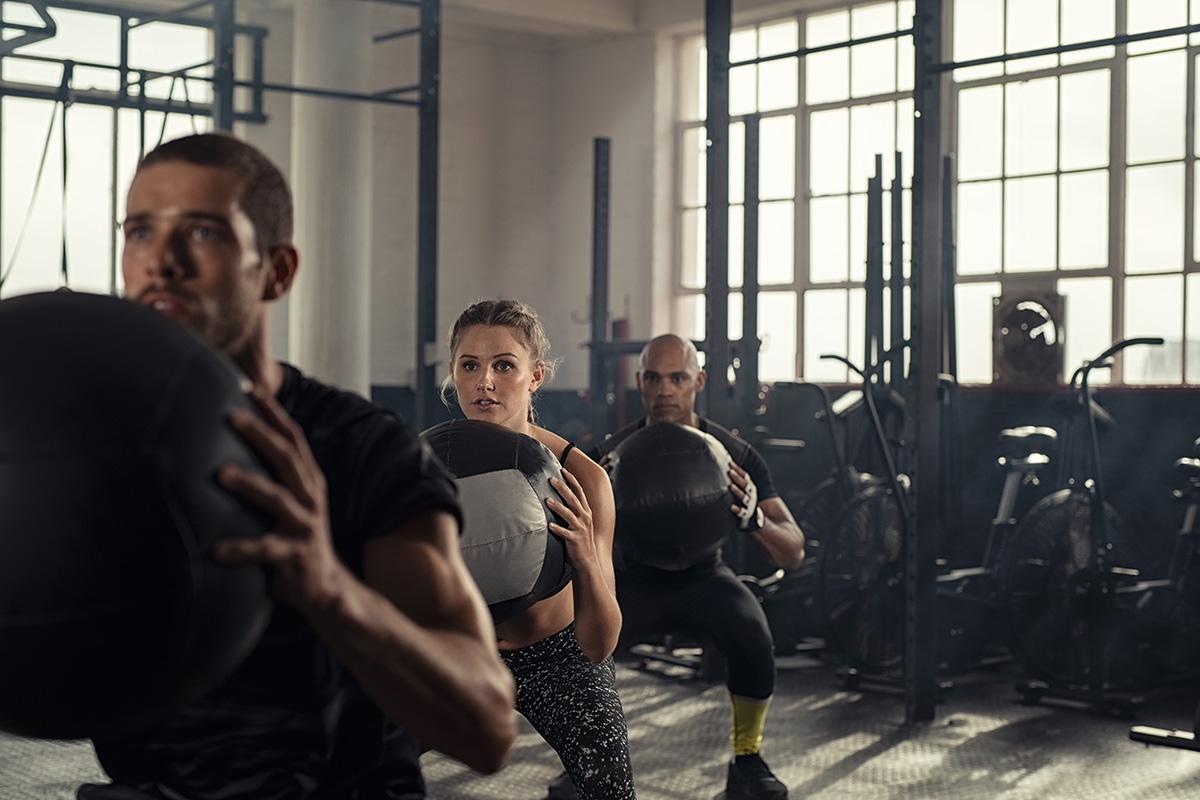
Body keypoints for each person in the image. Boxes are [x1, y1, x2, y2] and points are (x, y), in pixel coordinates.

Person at [79, 133, 517, 799]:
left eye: (201, 232)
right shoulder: (99, 441)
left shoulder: (364, 448)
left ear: (277, 271)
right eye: (139, 232)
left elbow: (486, 729)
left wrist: (327, 585)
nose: (160, 262)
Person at [593, 334, 806, 800]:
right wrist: (596, 503)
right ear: (639, 382)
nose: (665, 390)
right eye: (653, 378)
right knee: (578, 646)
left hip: (704, 578)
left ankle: (747, 763)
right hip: (634, 580)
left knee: (753, 635)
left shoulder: (735, 455)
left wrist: (756, 520)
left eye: (677, 378)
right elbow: (567, 542)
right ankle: (586, 763)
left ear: (698, 382)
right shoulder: (610, 455)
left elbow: (794, 551)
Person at [443, 300, 636, 800]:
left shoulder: (584, 481)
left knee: (610, 779)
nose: (485, 381)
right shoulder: (426, 465)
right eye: (471, 365)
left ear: (535, 377)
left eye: (504, 365)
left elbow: (599, 644)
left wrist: (586, 559)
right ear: (453, 374)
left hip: (555, 655)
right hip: (460, 651)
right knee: (351, 751)